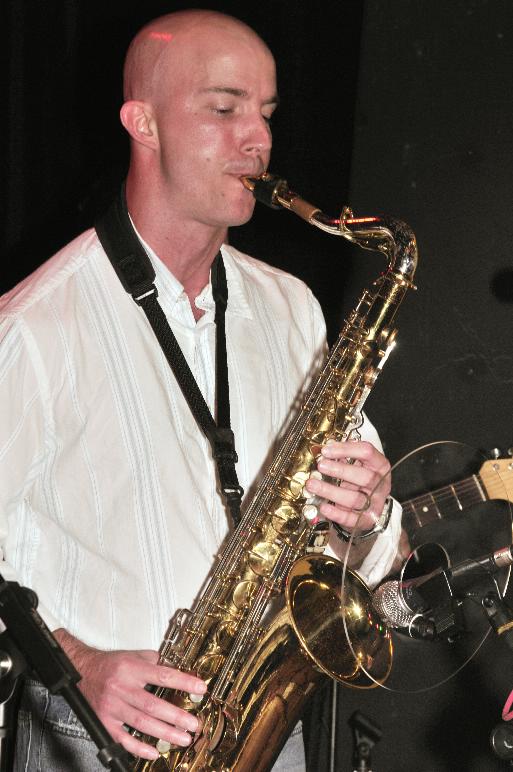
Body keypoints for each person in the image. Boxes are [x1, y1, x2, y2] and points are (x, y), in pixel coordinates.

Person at [0, 10, 401, 771]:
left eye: (266, 112)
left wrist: (364, 519)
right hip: (95, 740)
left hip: (264, 733)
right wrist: (80, 666)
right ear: (142, 123)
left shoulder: (292, 309)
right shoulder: (33, 327)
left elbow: (377, 551)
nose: (258, 139)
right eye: (224, 108)